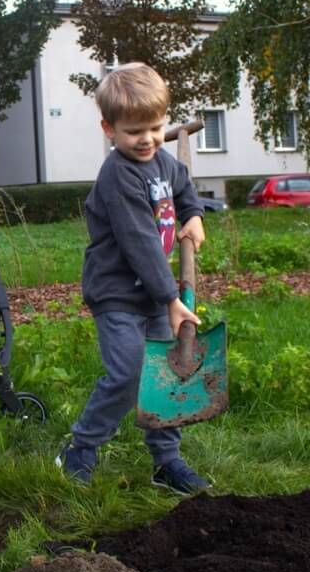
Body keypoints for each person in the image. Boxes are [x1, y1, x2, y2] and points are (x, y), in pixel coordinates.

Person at [55, 63, 211, 495]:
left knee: (164, 373)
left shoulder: (162, 162)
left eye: (156, 128)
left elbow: (183, 186)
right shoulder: (118, 175)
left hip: (157, 294)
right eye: (134, 131)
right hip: (119, 294)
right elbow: (140, 240)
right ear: (109, 129)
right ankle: (81, 448)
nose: (147, 140)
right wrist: (171, 298)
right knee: (128, 373)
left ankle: (167, 462)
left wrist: (194, 214)